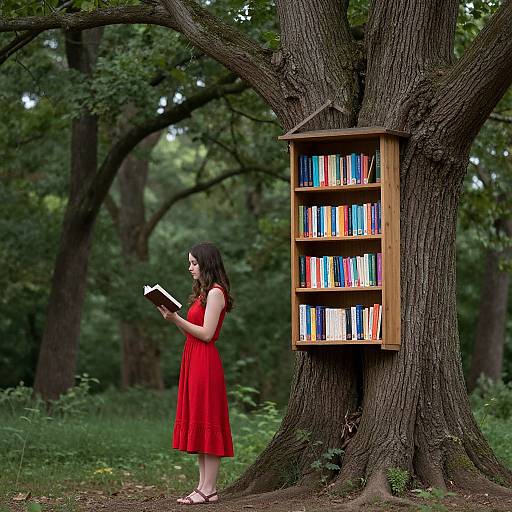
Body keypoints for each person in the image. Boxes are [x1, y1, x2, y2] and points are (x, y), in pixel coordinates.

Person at [157, 242, 234, 505]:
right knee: (199, 418)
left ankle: (209, 488)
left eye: (193, 263)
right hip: (193, 358)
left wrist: (177, 319)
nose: (190, 268)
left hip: (206, 362)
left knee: (207, 418)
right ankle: (203, 486)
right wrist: (174, 317)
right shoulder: (203, 293)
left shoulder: (215, 293)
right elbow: (192, 331)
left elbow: (207, 334)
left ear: (206, 263)